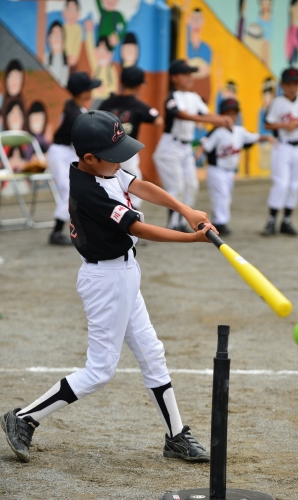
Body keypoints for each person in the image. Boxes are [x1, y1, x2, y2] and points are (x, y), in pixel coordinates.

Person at [1, 109, 216, 465]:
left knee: (152, 353)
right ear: (89, 158)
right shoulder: (89, 191)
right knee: (100, 371)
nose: (121, 162)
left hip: (126, 273)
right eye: (114, 156)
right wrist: (190, 239)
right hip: (106, 280)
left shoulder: (105, 169)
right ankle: (23, 418)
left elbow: (138, 185)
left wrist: (185, 208)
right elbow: (137, 228)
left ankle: (176, 436)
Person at [153, 59, 231, 231]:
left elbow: (206, 114)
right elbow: (182, 115)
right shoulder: (171, 97)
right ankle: (173, 225)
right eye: (185, 74)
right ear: (174, 77)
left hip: (186, 147)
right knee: (177, 187)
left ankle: (183, 222)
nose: (190, 77)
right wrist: (212, 120)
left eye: (191, 74)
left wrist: (220, 118)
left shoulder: (194, 97)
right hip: (170, 146)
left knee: (192, 186)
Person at [196, 98, 274, 235]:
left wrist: (267, 138)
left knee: (226, 197)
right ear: (221, 115)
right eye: (227, 113)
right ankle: (220, 223)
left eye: (234, 113)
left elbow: (254, 137)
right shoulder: (217, 131)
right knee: (221, 196)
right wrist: (198, 156)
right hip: (216, 170)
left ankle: (219, 221)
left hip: (229, 172)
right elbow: (204, 145)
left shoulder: (240, 131)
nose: (231, 117)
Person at [47, 71, 101, 246]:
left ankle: (81, 228)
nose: (91, 91)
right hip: (61, 153)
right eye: (88, 89)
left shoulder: (74, 106)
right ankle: (56, 233)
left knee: (80, 190)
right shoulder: (75, 113)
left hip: (67, 152)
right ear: (82, 92)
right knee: (69, 192)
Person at [99, 66, 163, 209]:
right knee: (133, 181)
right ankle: (133, 213)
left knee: (107, 182)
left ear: (121, 82)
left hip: (105, 150)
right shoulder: (139, 105)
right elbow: (159, 121)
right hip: (127, 150)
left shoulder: (108, 102)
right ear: (140, 85)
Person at [262, 67, 298, 236]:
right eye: (289, 84)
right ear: (282, 85)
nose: (292, 87)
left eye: (295, 83)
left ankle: (287, 220)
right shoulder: (277, 102)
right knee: (281, 183)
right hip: (282, 145)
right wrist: (285, 125)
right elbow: (268, 124)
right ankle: (271, 220)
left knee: (294, 185)